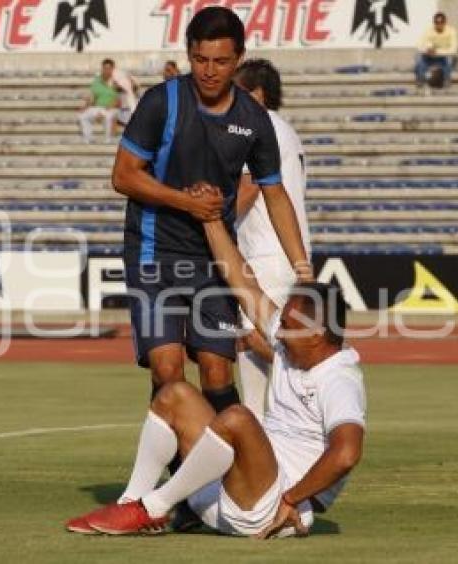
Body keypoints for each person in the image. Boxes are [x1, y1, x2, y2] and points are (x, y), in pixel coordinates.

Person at [66, 212, 365, 537]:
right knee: (173, 394)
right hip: (236, 492)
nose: (277, 334)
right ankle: (131, 503)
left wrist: (292, 499)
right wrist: (210, 219)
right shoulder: (294, 342)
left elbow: (347, 454)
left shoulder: (339, 378)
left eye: (288, 329)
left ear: (317, 334)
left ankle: (152, 508)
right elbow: (241, 279)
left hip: (276, 508)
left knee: (237, 418)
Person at [113, 6, 312, 437]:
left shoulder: (253, 120)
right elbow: (124, 176)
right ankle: (178, 489)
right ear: (189, 54)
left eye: (220, 61)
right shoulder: (160, 102)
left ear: (238, 58)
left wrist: (303, 269)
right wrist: (186, 203)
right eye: (200, 60)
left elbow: (274, 194)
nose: (209, 71)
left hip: (214, 261)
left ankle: (234, 478)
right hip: (153, 254)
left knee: (217, 373)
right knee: (167, 370)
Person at [233, 59, 311, 422]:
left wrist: (204, 224)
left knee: (255, 354)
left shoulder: (257, 127)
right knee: (278, 347)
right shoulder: (287, 130)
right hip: (289, 254)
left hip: (266, 255)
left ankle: (260, 460)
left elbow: (247, 191)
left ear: (257, 93)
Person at [78, 58, 119, 143]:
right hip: (98, 107)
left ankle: (108, 139)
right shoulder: (97, 80)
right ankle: (88, 138)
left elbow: (117, 100)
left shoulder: (117, 81)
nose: (106, 71)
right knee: (82, 116)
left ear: (113, 69)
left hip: (112, 108)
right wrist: (85, 107)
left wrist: (103, 112)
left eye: (109, 68)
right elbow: (93, 96)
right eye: (104, 68)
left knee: (107, 116)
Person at [415, 12, 458, 88]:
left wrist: (437, 51)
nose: (439, 24)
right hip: (430, 57)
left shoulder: (451, 31)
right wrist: (427, 49)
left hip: (443, 57)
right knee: (419, 59)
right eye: (437, 22)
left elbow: (453, 49)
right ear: (434, 23)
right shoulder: (429, 30)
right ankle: (421, 79)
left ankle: (446, 79)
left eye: (441, 22)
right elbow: (419, 45)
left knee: (449, 60)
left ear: (445, 22)